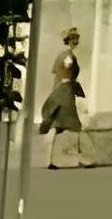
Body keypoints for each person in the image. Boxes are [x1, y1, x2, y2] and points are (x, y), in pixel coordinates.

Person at [35, 27, 86, 166]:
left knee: (58, 128)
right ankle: (84, 158)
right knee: (75, 125)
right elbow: (66, 73)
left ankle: (50, 159)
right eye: (73, 38)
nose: (75, 41)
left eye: (76, 38)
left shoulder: (61, 55)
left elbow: (55, 72)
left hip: (59, 92)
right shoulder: (68, 56)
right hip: (65, 93)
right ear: (68, 40)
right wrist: (71, 84)